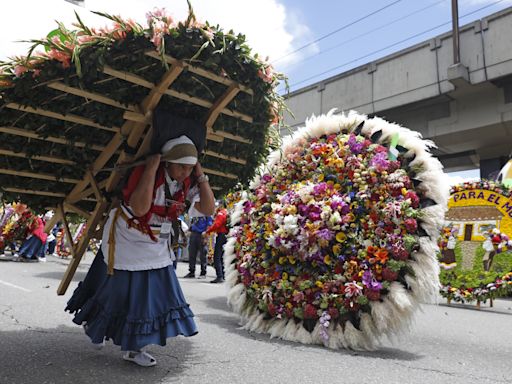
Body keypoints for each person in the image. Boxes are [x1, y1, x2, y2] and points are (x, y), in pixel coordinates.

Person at [65, 135, 215, 367]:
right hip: (128, 239)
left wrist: (200, 174)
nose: (185, 172)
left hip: (156, 245)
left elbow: (207, 208)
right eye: (180, 166)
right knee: (118, 295)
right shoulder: (149, 174)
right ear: (167, 162)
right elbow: (140, 207)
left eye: (188, 168)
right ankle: (95, 326)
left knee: (152, 301)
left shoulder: (187, 182)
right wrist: (151, 168)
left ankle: (135, 349)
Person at [183, 213, 212, 278]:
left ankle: (203, 273)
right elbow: (193, 222)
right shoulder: (195, 212)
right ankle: (191, 271)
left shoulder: (207, 213)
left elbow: (209, 225)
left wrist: (206, 237)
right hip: (193, 234)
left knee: (203, 255)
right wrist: (189, 230)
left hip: (202, 234)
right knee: (191, 254)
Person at [205, 203, 228, 283]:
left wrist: (208, 231)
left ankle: (219, 276)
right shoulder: (227, 212)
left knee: (217, 257)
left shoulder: (221, 213)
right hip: (225, 236)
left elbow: (217, 224)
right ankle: (223, 274)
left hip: (221, 235)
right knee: (221, 256)